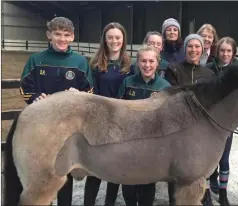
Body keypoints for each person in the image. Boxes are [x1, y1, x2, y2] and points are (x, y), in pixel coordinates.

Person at [19, 16, 94, 206]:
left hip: (68, 131)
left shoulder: (80, 62)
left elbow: (90, 91)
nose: (62, 38)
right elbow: (25, 88)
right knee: (44, 173)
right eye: (57, 34)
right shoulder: (35, 60)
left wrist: (79, 94)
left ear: (72, 37)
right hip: (41, 128)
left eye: (66, 35)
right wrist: (35, 97)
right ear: (49, 35)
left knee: (64, 172)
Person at [83, 22, 135, 206]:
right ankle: (88, 202)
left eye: (118, 37)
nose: (114, 41)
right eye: (110, 37)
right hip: (100, 120)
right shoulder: (95, 64)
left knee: (115, 166)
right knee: (95, 167)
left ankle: (109, 202)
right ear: (105, 40)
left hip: (122, 123)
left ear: (123, 40)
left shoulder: (130, 65)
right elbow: (90, 92)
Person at [165, 33, 215, 206]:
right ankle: (174, 200)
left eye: (197, 46)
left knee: (200, 166)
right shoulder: (174, 69)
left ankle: (201, 196)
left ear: (202, 49)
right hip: (178, 128)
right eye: (190, 46)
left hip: (202, 129)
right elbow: (173, 95)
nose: (193, 50)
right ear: (185, 48)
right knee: (177, 167)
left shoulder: (209, 73)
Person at [119, 45, 171, 206]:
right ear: (137, 62)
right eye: (143, 61)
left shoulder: (165, 87)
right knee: (128, 180)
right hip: (129, 141)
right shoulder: (127, 82)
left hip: (152, 143)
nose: (147, 65)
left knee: (147, 182)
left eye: (151, 61)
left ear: (157, 63)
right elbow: (117, 110)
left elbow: (169, 119)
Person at [205, 37, 238, 206]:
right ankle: (207, 189)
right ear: (217, 52)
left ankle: (223, 192)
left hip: (227, 121)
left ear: (233, 53)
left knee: (223, 159)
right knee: (206, 157)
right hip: (208, 120)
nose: (225, 54)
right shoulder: (209, 68)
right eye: (222, 51)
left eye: (228, 51)